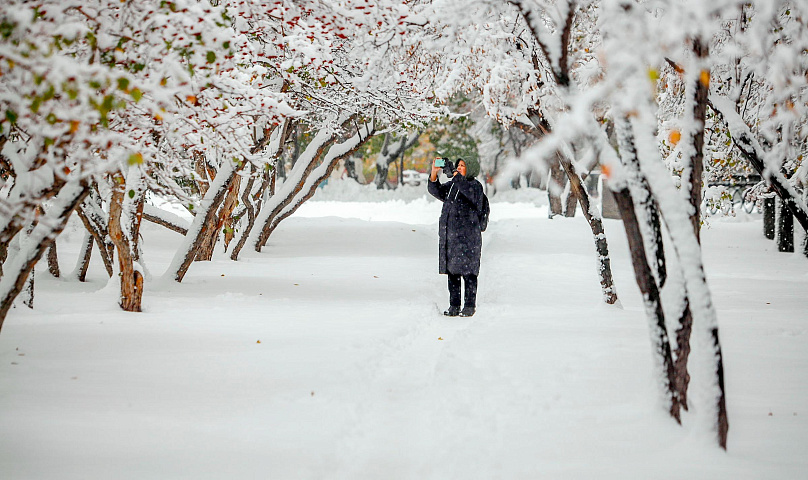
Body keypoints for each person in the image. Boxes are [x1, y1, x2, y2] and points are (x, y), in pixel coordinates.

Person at [427, 157, 488, 317]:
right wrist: (434, 174)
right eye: (458, 166)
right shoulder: (454, 185)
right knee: (452, 273)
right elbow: (437, 191)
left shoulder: (475, 186)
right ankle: (454, 305)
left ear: (471, 168)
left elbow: (466, 190)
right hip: (452, 237)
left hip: (469, 238)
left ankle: (469, 305)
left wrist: (454, 174)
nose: (459, 168)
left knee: (469, 273)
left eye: (462, 166)